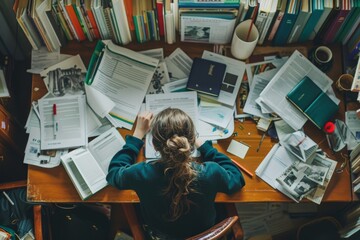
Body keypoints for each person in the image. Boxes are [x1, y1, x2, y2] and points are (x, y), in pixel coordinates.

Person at [106, 108, 245, 239]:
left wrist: (137, 136)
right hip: (204, 232)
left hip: (159, 234)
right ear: (190, 143)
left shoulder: (141, 173)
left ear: (154, 145)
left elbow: (114, 173)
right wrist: (205, 147)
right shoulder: (210, 173)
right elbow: (237, 179)